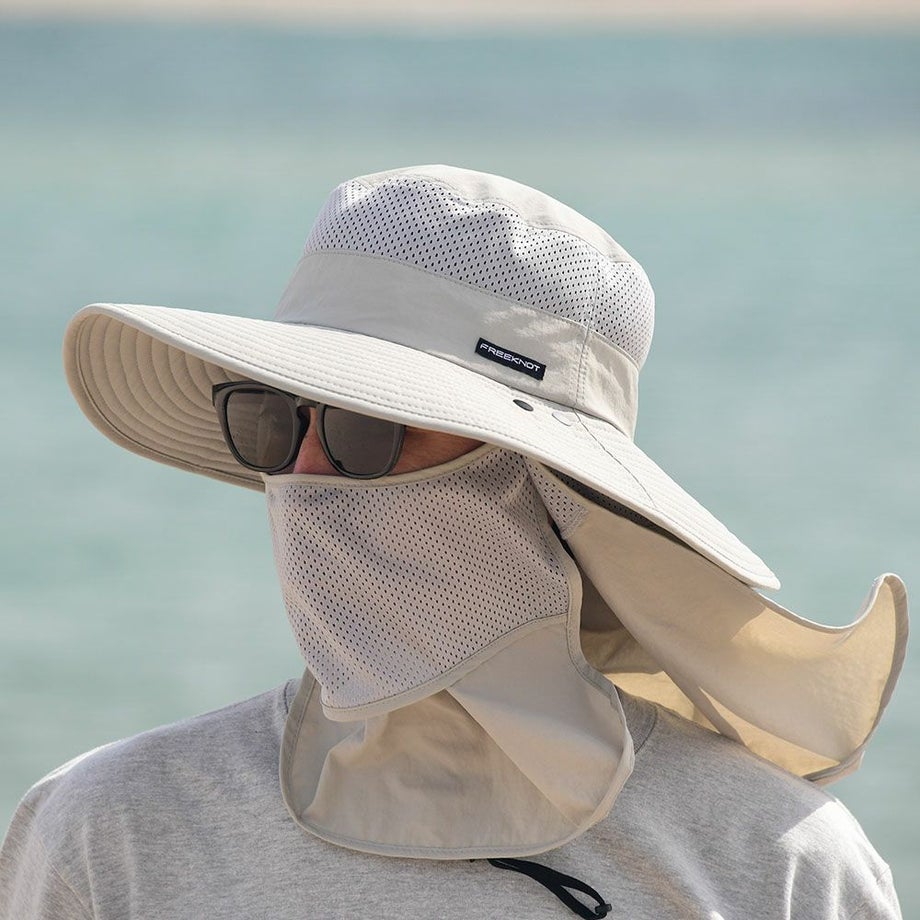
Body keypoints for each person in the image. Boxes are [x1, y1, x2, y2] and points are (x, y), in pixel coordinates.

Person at [0, 165, 908, 919]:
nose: (304, 475)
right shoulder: (108, 828)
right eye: (277, 421)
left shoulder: (775, 862)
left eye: (367, 427)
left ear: (547, 483)